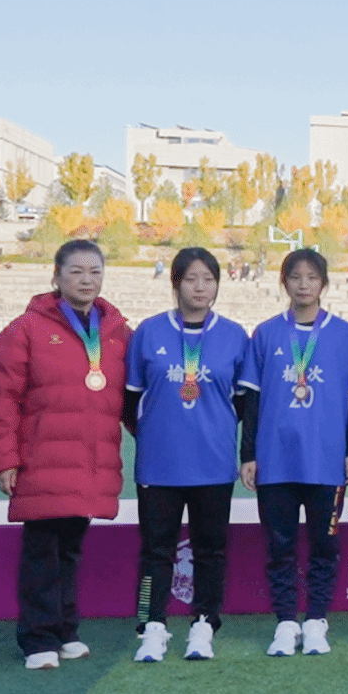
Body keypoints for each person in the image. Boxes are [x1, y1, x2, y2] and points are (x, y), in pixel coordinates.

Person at [0, 240, 133, 669]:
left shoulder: (117, 333)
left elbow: (133, 399)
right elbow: (0, 398)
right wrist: (4, 459)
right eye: (76, 272)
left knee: (70, 551)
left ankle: (66, 630)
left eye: (95, 272)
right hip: (42, 463)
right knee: (41, 553)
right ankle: (37, 639)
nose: (86, 280)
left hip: (89, 464)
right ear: (56, 277)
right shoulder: (26, 329)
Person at [126, 247, 250, 661]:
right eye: (191, 279)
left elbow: (242, 403)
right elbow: (130, 402)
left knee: (210, 551)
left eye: (208, 279)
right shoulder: (148, 332)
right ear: (175, 283)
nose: (200, 287)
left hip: (213, 465)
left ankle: (204, 623)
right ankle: (151, 625)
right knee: (155, 552)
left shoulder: (234, 336)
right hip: (159, 466)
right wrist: (157, 434)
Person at [239, 248, 348, 657]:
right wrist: (248, 454)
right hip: (276, 461)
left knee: (325, 546)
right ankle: (286, 622)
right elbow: (252, 400)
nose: (304, 284)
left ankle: (317, 621)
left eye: (312, 277)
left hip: (327, 461)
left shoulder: (344, 335)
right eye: (295, 277)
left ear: (324, 283)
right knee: (281, 547)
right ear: (284, 282)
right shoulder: (266, 333)